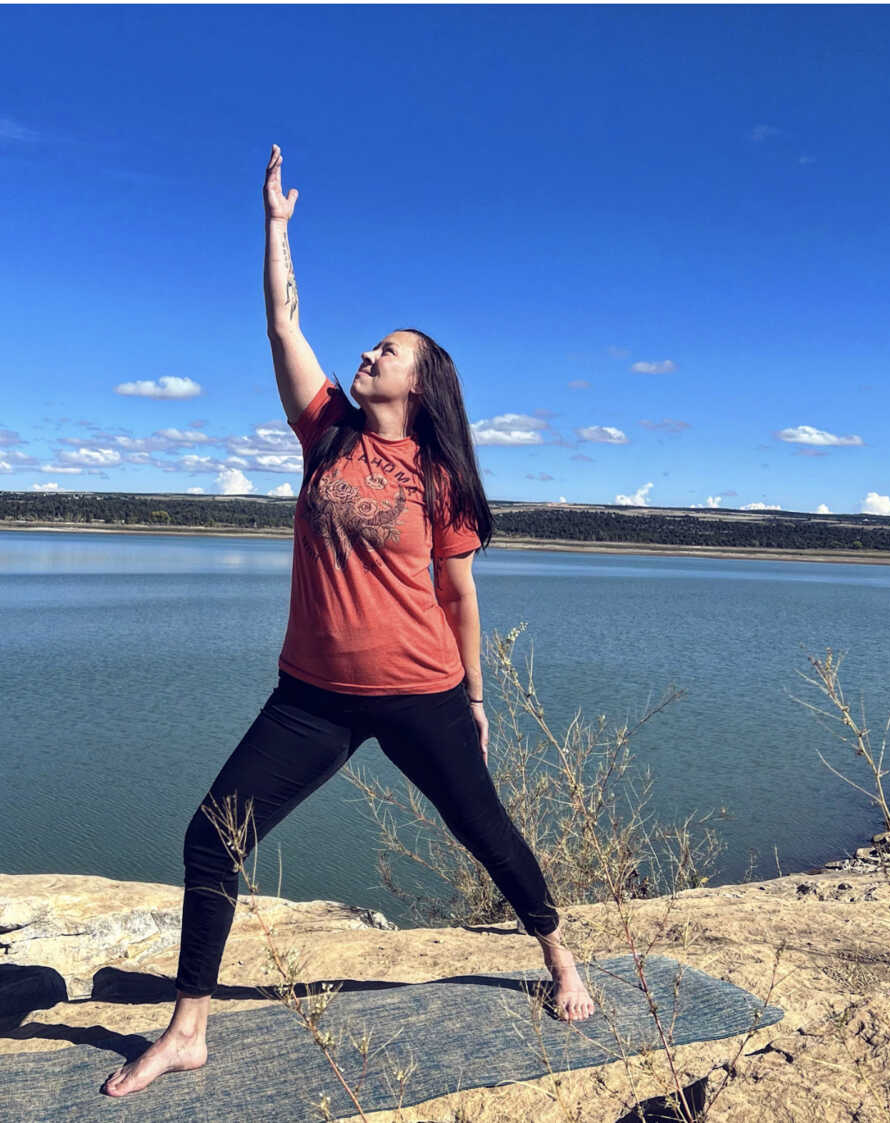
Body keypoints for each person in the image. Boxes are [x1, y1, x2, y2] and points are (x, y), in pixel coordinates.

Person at [102, 144, 594, 1098]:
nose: (369, 353)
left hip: (423, 693)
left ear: (419, 386)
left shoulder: (440, 479)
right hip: (313, 696)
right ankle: (188, 1029)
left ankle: (561, 956)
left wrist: (477, 697)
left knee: (484, 829)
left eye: (389, 352)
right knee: (214, 835)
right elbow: (283, 320)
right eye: (371, 346)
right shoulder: (324, 428)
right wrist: (277, 228)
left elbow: (458, 595)